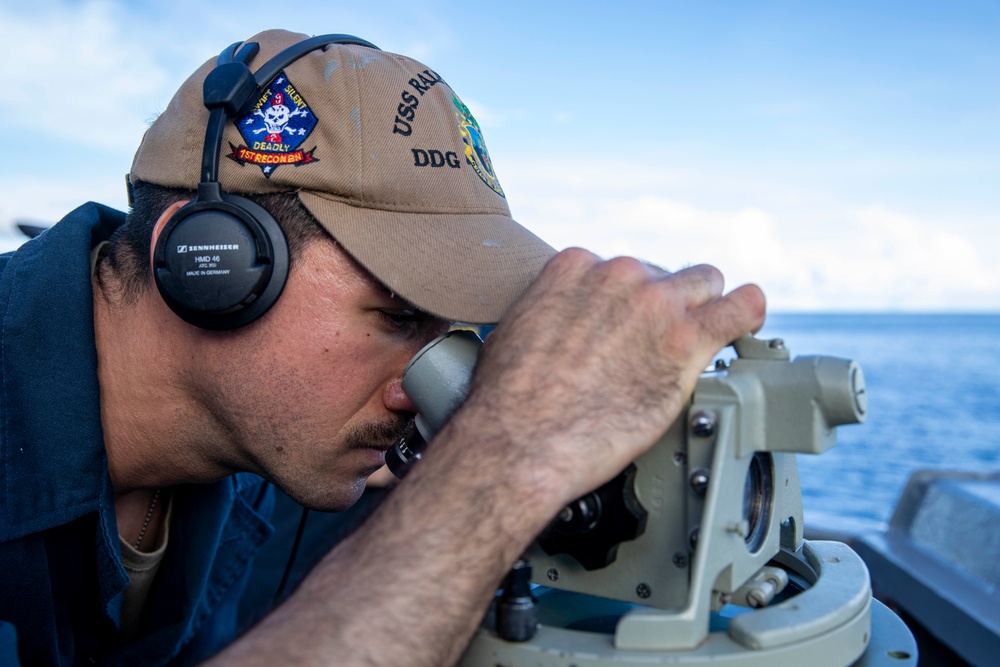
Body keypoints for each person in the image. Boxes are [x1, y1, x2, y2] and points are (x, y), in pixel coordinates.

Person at [0, 29, 765, 666]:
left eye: (454, 330)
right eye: (399, 317)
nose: (422, 391)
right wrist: (494, 467)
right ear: (211, 266)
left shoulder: (269, 438)